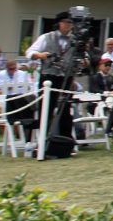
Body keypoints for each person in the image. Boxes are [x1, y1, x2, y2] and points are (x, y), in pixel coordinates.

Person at [26, 12, 80, 143]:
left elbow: (80, 58)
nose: (68, 25)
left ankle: (66, 141)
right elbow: (30, 52)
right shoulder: (47, 37)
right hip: (49, 77)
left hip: (66, 78)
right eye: (65, 22)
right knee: (46, 108)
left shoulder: (75, 40)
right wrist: (40, 55)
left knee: (66, 110)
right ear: (59, 23)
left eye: (70, 23)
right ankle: (43, 139)